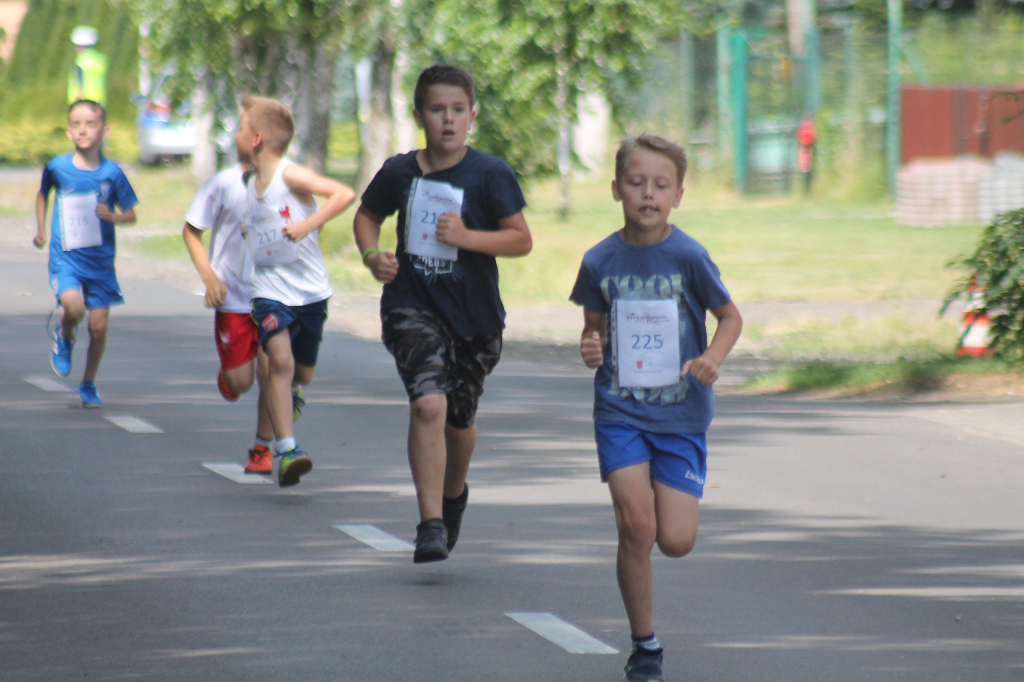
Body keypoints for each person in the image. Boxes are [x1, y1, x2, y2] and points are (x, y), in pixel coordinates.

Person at [569, 134, 742, 682]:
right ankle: (645, 646)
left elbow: (730, 317)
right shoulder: (599, 259)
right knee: (635, 525)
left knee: (675, 540)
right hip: (619, 410)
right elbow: (592, 330)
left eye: (661, 185)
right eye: (637, 183)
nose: (648, 194)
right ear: (617, 188)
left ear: (679, 195)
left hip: (682, 415)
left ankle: (647, 636)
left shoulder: (688, 256)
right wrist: (590, 345)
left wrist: (712, 357)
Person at [353, 64, 533, 563]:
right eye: (437, 110)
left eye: (458, 110)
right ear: (419, 116)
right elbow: (367, 216)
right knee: (428, 404)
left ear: (472, 116)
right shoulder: (399, 172)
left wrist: (468, 238)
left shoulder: (490, 173)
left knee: (459, 418)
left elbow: (521, 239)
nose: (448, 120)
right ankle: (429, 522)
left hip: (475, 318)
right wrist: (372, 256)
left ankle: (453, 498)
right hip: (413, 304)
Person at [235, 95, 355, 487]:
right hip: (269, 292)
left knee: (302, 371)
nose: (235, 135)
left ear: (255, 138)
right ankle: (287, 449)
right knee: (279, 363)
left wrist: (309, 224)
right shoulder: (251, 184)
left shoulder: (291, 175)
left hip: (310, 292)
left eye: (239, 128)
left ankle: (291, 397)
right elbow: (262, 223)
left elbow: (343, 194)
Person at [35, 99, 138, 407]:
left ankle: (88, 383)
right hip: (65, 258)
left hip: (101, 263)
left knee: (98, 327)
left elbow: (131, 213)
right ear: (68, 131)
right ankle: (65, 333)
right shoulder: (57, 167)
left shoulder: (112, 173)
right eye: (76, 124)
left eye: (90, 124)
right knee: (74, 308)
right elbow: (43, 194)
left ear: (104, 131)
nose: (83, 130)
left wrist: (113, 217)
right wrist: (41, 229)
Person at [182, 161, 276, 474]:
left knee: (271, 369)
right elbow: (191, 230)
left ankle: (262, 448)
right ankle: (231, 375)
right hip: (233, 298)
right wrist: (210, 278)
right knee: (242, 382)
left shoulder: (289, 180)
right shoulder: (223, 183)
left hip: (273, 296)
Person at [68, 26, 107, 106]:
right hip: (99, 100)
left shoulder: (80, 59)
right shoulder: (101, 58)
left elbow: (79, 79)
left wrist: (78, 100)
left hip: (83, 101)